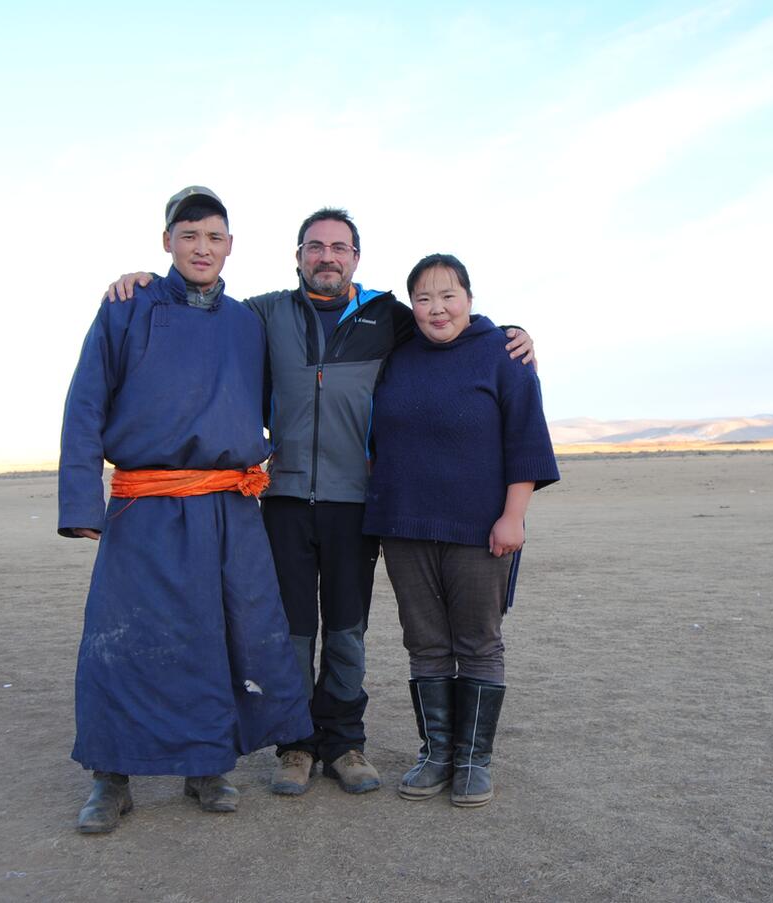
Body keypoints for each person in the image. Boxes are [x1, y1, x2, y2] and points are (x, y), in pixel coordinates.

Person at [104, 209, 535, 797]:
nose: (327, 256)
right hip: (280, 498)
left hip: (357, 503)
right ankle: (296, 745)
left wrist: (510, 332)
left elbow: (451, 326)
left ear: (356, 257)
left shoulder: (391, 317)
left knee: (347, 630)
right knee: (291, 630)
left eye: (339, 247)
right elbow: (200, 304)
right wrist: (147, 283)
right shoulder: (263, 314)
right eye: (315, 246)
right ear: (298, 255)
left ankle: (345, 742)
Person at [58, 186, 313, 834]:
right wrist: (81, 501)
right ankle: (109, 779)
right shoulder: (127, 306)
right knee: (123, 644)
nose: (203, 247)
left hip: (228, 507)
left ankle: (207, 767)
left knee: (221, 639)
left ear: (230, 246)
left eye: (215, 236)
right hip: (147, 509)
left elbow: (256, 399)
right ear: (167, 240)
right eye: (189, 234)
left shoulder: (244, 324)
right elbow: (86, 404)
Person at [362, 253, 559, 808]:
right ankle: (436, 753)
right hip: (404, 524)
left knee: (477, 643)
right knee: (424, 644)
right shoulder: (395, 357)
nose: (436, 308)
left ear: (470, 299)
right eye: (423, 298)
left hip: (480, 530)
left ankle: (474, 759)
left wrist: (513, 515)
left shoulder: (503, 356)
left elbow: (526, 441)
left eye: (448, 296)